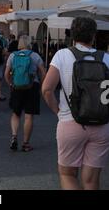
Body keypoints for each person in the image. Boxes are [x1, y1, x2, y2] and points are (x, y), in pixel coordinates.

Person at [42, 17, 109, 191]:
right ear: (93, 36)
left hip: (71, 122)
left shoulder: (62, 55)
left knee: (67, 175)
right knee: (91, 181)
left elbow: (47, 90)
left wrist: (58, 111)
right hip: (101, 124)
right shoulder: (106, 58)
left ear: (72, 35)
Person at [5, 35, 46, 152]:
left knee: (16, 113)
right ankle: (26, 144)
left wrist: (11, 84)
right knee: (28, 115)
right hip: (32, 86)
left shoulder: (13, 55)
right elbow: (43, 72)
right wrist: (41, 84)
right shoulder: (35, 55)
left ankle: (14, 136)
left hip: (17, 87)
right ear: (30, 43)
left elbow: (6, 73)